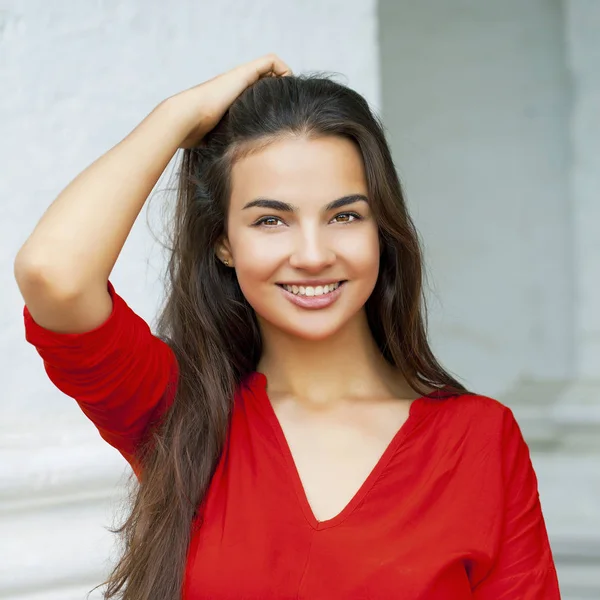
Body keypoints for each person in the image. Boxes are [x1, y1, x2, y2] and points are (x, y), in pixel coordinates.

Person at [14, 54, 561, 599]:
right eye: (270, 220)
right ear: (224, 242)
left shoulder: (478, 440)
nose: (313, 254)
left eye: (344, 215)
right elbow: (54, 274)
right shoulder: (178, 410)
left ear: (381, 229)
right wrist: (177, 117)